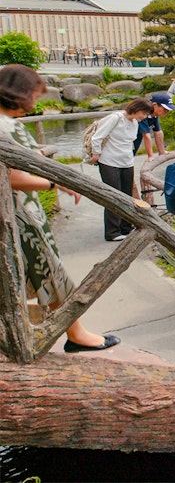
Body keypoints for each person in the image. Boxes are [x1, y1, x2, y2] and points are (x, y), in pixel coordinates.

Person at [0, 64, 120, 352]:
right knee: (50, 270)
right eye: (33, 96)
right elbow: (10, 175)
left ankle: (62, 331)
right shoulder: (6, 125)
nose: (34, 104)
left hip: (15, 211)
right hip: (19, 214)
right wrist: (54, 184)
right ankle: (75, 332)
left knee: (27, 275)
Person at [87, 97, 153, 241]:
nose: (144, 117)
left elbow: (129, 143)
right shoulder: (116, 118)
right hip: (109, 162)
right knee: (113, 195)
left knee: (127, 195)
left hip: (126, 162)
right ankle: (112, 232)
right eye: (144, 113)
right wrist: (96, 154)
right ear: (137, 109)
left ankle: (126, 227)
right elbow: (97, 137)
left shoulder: (135, 123)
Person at [134, 92, 174, 163]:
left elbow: (158, 131)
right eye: (165, 109)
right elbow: (146, 135)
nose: (167, 112)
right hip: (126, 142)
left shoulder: (154, 115)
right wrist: (150, 156)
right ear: (155, 105)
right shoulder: (142, 113)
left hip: (135, 140)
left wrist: (162, 152)